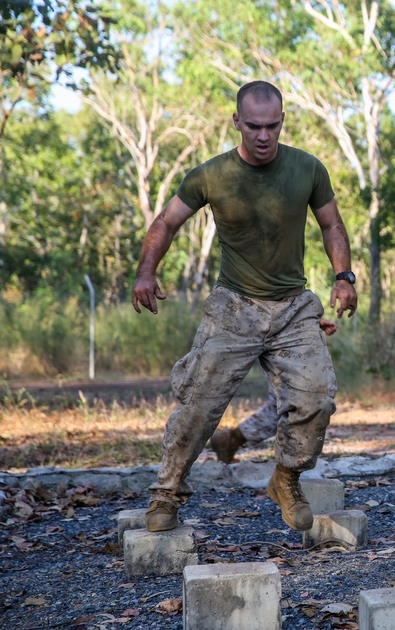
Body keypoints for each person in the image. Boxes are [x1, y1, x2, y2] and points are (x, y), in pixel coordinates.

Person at [131, 81, 358, 532]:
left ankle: (286, 478)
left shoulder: (307, 169)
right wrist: (145, 272)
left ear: (282, 122)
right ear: (236, 121)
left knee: (316, 398)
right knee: (199, 404)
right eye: (253, 125)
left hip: (293, 308)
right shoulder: (211, 175)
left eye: (272, 126)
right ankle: (166, 494)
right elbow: (166, 222)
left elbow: (332, 224)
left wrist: (343, 275)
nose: (263, 135)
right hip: (234, 307)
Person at [210, 316, 337, 465]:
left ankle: (231, 440)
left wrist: (306, 318)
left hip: (279, 325)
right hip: (273, 325)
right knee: (293, 402)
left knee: (285, 402)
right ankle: (285, 472)